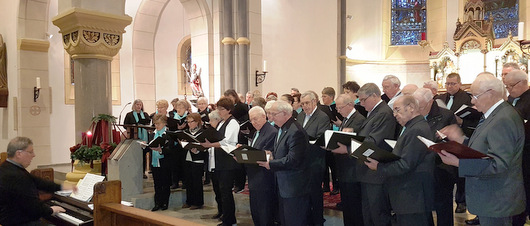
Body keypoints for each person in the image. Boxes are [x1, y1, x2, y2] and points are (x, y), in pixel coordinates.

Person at [439, 73, 525, 226]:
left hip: (497, 200)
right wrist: (461, 140)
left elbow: (498, 164)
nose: (472, 101)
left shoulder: (503, 118)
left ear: (490, 93)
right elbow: (483, 148)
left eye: (475, 96)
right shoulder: (493, 115)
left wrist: (459, 163)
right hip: (490, 199)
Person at [365, 95, 435, 225]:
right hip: (409, 195)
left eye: (397, 110)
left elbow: (405, 164)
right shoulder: (412, 127)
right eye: (393, 111)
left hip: (412, 195)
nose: (395, 114)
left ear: (411, 107)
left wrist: (379, 167)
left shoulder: (416, 129)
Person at [0, 137, 76, 225]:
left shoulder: (7, 167)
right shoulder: (16, 176)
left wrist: (62, 187)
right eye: (30, 152)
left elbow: (38, 182)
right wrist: (51, 210)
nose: (34, 155)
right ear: (19, 154)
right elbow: (32, 206)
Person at [257, 100, 311, 226]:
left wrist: (271, 164)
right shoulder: (282, 128)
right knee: (285, 219)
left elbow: (293, 160)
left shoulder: (295, 131)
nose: (271, 117)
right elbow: (283, 152)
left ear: (285, 113)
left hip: (294, 186)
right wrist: (271, 155)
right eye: (270, 114)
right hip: (284, 184)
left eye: (274, 114)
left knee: (295, 220)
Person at [350, 83, 397, 226]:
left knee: (378, 215)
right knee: (369, 214)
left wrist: (349, 144)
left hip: (376, 171)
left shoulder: (383, 113)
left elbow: (374, 141)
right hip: (368, 170)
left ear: (375, 96)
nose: (361, 103)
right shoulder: (375, 112)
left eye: (363, 100)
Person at [434, 73, 479, 214]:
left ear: (459, 84)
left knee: (460, 172)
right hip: (444, 136)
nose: (449, 86)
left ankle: (461, 201)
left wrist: (461, 121)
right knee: (447, 169)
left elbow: (475, 120)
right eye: (447, 83)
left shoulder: (467, 98)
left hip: (462, 136)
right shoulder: (440, 98)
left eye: (453, 83)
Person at [413, 88, 458, 226]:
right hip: (420, 168)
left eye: (420, 106)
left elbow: (454, 142)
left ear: (430, 102)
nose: (417, 110)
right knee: (423, 208)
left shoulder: (445, 115)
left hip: (441, 169)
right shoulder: (414, 115)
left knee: (443, 208)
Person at [200, 97, 240, 226]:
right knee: (221, 192)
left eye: (221, 109)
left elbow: (227, 142)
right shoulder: (222, 122)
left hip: (227, 162)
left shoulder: (233, 123)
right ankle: (225, 217)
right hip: (219, 162)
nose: (219, 111)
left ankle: (230, 221)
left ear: (229, 110)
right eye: (218, 108)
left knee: (226, 192)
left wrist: (209, 145)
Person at [330, 94, 366, 226]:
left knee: (354, 207)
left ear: (350, 105)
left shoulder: (359, 120)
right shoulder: (346, 119)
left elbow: (360, 142)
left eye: (340, 107)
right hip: (344, 169)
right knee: (347, 206)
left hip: (353, 169)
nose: (338, 111)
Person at [297, 91, 330, 225]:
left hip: (314, 162)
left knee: (315, 194)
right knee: (303, 194)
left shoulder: (322, 117)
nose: (304, 106)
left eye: (306, 103)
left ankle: (317, 220)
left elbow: (321, 138)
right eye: (302, 103)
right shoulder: (300, 116)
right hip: (300, 162)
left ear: (314, 102)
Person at [505, 70, 530, 226]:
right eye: (506, 86)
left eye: (511, 86)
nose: (508, 89)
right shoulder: (510, 99)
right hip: (515, 153)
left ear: (522, 83)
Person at [246, 106, 278, 226]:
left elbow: (268, 153)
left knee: (264, 211)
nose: (253, 123)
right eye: (251, 120)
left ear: (264, 116)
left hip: (264, 177)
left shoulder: (271, 132)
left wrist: (248, 154)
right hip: (255, 176)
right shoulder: (257, 132)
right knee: (256, 210)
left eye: (256, 119)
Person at [145, 114, 176, 211]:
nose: (156, 126)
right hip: (155, 162)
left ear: (164, 123)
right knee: (157, 184)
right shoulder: (152, 134)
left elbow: (171, 150)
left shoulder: (168, 134)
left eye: (158, 124)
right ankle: (157, 203)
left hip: (165, 162)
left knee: (165, 184)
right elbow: (149, 146)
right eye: (155, 124)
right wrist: (145, 147)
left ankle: (164, 203)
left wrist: (161, 150)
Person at [181, 113, 208, 210]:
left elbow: (205, 148)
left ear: (197, 122)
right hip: (188, 158)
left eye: (191, 122)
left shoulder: (203, 132)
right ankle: (189, 201)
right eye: (188, 122)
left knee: (196, 181)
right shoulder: (186, 132)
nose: (189, 124)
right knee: (188, 180)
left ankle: (198, 202)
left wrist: (197, 150)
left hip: (198, 159)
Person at [123, 99, 151, 179]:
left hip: (144, 138)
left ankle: (142, 172)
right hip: (134, 137)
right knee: (134, 156)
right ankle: (134, 172)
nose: (139, 106)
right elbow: (125, 125)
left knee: (143, 155)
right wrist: (133, 125)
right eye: (137, 104)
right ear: (134, 105)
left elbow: (149, 124)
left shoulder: (145, 114)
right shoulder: (129, 115)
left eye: (140, 105)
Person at [168, 99, 190, 190]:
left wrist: (183, 129)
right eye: (178, 108)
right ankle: (175, 182)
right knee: (174, 163)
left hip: (185, 144)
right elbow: (170, 130)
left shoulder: (188, 117)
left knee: (184, 164)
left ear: (185, 108)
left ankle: (185, 182)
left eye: (181, 108)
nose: (179, 110)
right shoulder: (173, 118)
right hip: (175, 143)